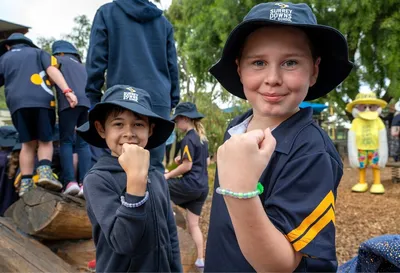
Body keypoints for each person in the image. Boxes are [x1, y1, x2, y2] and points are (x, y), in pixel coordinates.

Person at [204, 2, 353, 272]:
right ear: (239, 69)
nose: (273, 78)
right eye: (258, 62)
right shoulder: (236, 129)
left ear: (314, 71)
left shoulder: (312, 151)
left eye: (290, 62)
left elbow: (279, 265)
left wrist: (241, 192)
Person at [76, 85, 181, 272]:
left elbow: (171, 234)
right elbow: (123, 242)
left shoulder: (156, 176)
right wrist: (135, 182)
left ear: (150, 129)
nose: (129, 133)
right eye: (118, 124)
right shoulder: (98, 180)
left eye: (138, 124)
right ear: (101, 129)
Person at [85, 0, 180, 173]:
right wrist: (173, 98)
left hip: (122, 99)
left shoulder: (107, 13)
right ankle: (156, 200)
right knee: (154, 165)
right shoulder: (163, 23)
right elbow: (172, 64)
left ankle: (121, 199)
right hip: (157, 99)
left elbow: (96, 58)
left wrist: (93, 94)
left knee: (119, 160)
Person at [0, 33, 78, 196]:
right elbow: (52, 70)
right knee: (45, 140)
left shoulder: (4, 58)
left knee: (27, 143)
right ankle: (45, 173)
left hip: (17, 104)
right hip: (42, 101)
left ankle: (26, 183)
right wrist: (67, 91)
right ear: (28, 44)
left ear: (9, 46)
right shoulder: (39, 53)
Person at [165, 102, 209, 268]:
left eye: (177, 121)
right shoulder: (202, 139)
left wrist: (168, 175)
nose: (176, 124)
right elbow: (204, 161)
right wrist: (180, 160)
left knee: (162, 186)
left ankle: (168, 218)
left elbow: (188, 166)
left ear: (184, 118)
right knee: (194, 224)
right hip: (203, 187)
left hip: (191, 184)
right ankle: (200, 259)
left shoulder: (188, 139)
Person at [52, 40, 92, 197]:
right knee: (83, 144)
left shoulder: (57, 61)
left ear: (58, 52)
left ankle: (70, 182)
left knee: (67, 141)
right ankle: (85, 184)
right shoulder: (82, 66)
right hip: (87, 104)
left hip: (69, 102)